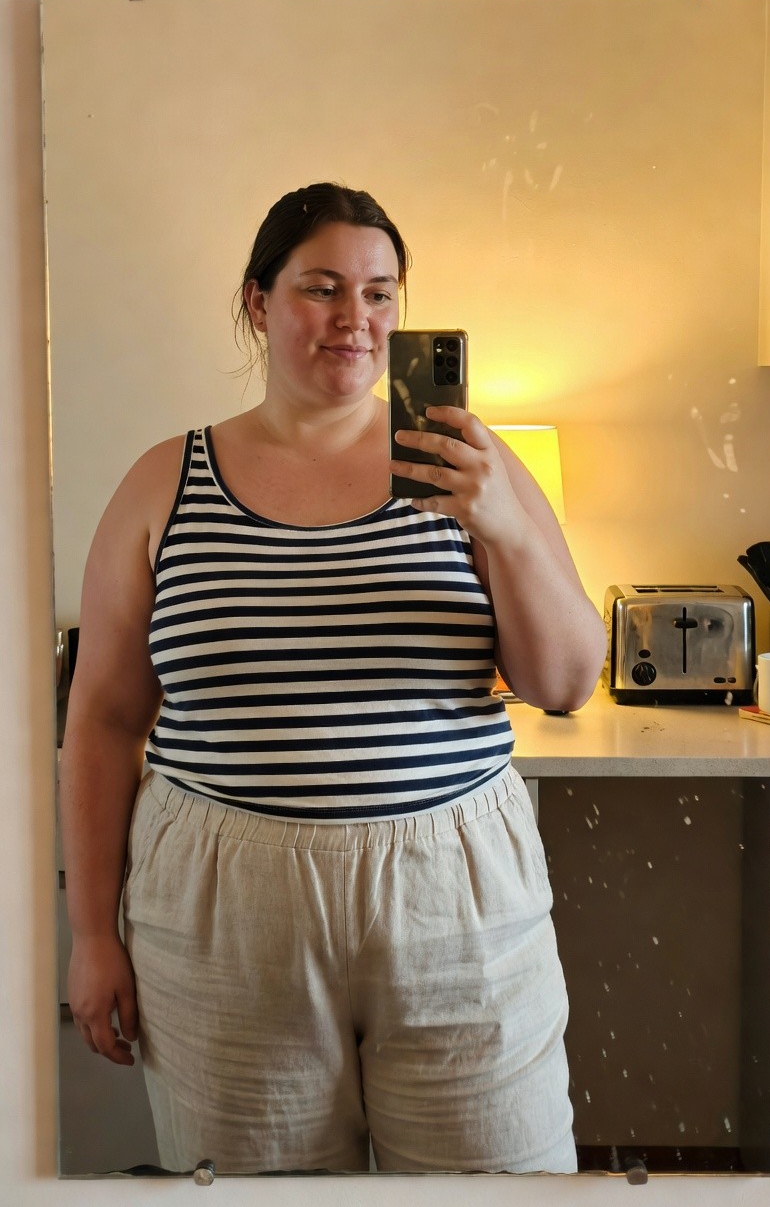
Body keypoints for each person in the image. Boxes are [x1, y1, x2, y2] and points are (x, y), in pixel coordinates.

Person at [60, 182, 608, 1175]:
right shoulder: (162, 482)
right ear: (258, 303)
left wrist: (505, 525)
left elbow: (566, 682)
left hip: (456, 898)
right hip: (222, 904)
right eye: (321, 288)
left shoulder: (469, 465)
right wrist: (90, 935)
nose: (355, 318)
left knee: (499, 1183)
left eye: (380, 292)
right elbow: (99, 721)